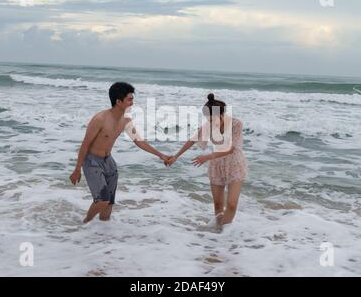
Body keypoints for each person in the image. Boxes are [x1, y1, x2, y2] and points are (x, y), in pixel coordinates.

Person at [69, 82, 171, 223]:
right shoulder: (100, 119)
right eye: (129, 99)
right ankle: (84, 224)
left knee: (109, 203)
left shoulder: (126, 120)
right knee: (102, 200)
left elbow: (138, 141)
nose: (132, 103)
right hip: (92, 161)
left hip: (108, 161)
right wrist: (77, 169)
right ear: (118, 101)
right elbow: (85, 145)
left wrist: (161, 155)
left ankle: (101, 234)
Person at [167, 93, 248, 226]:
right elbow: (192, 140)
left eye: (212, 119)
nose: (210, 122)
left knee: (232, 204)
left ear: (221, 114)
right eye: (208, 119)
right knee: (217, 205)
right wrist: (176, 156)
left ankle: (225, 232)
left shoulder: (236, 124)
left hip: (235, 165)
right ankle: (218, 232)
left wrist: (207, 157)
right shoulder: (209, 124)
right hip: (217, 166)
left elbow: (231, 149)